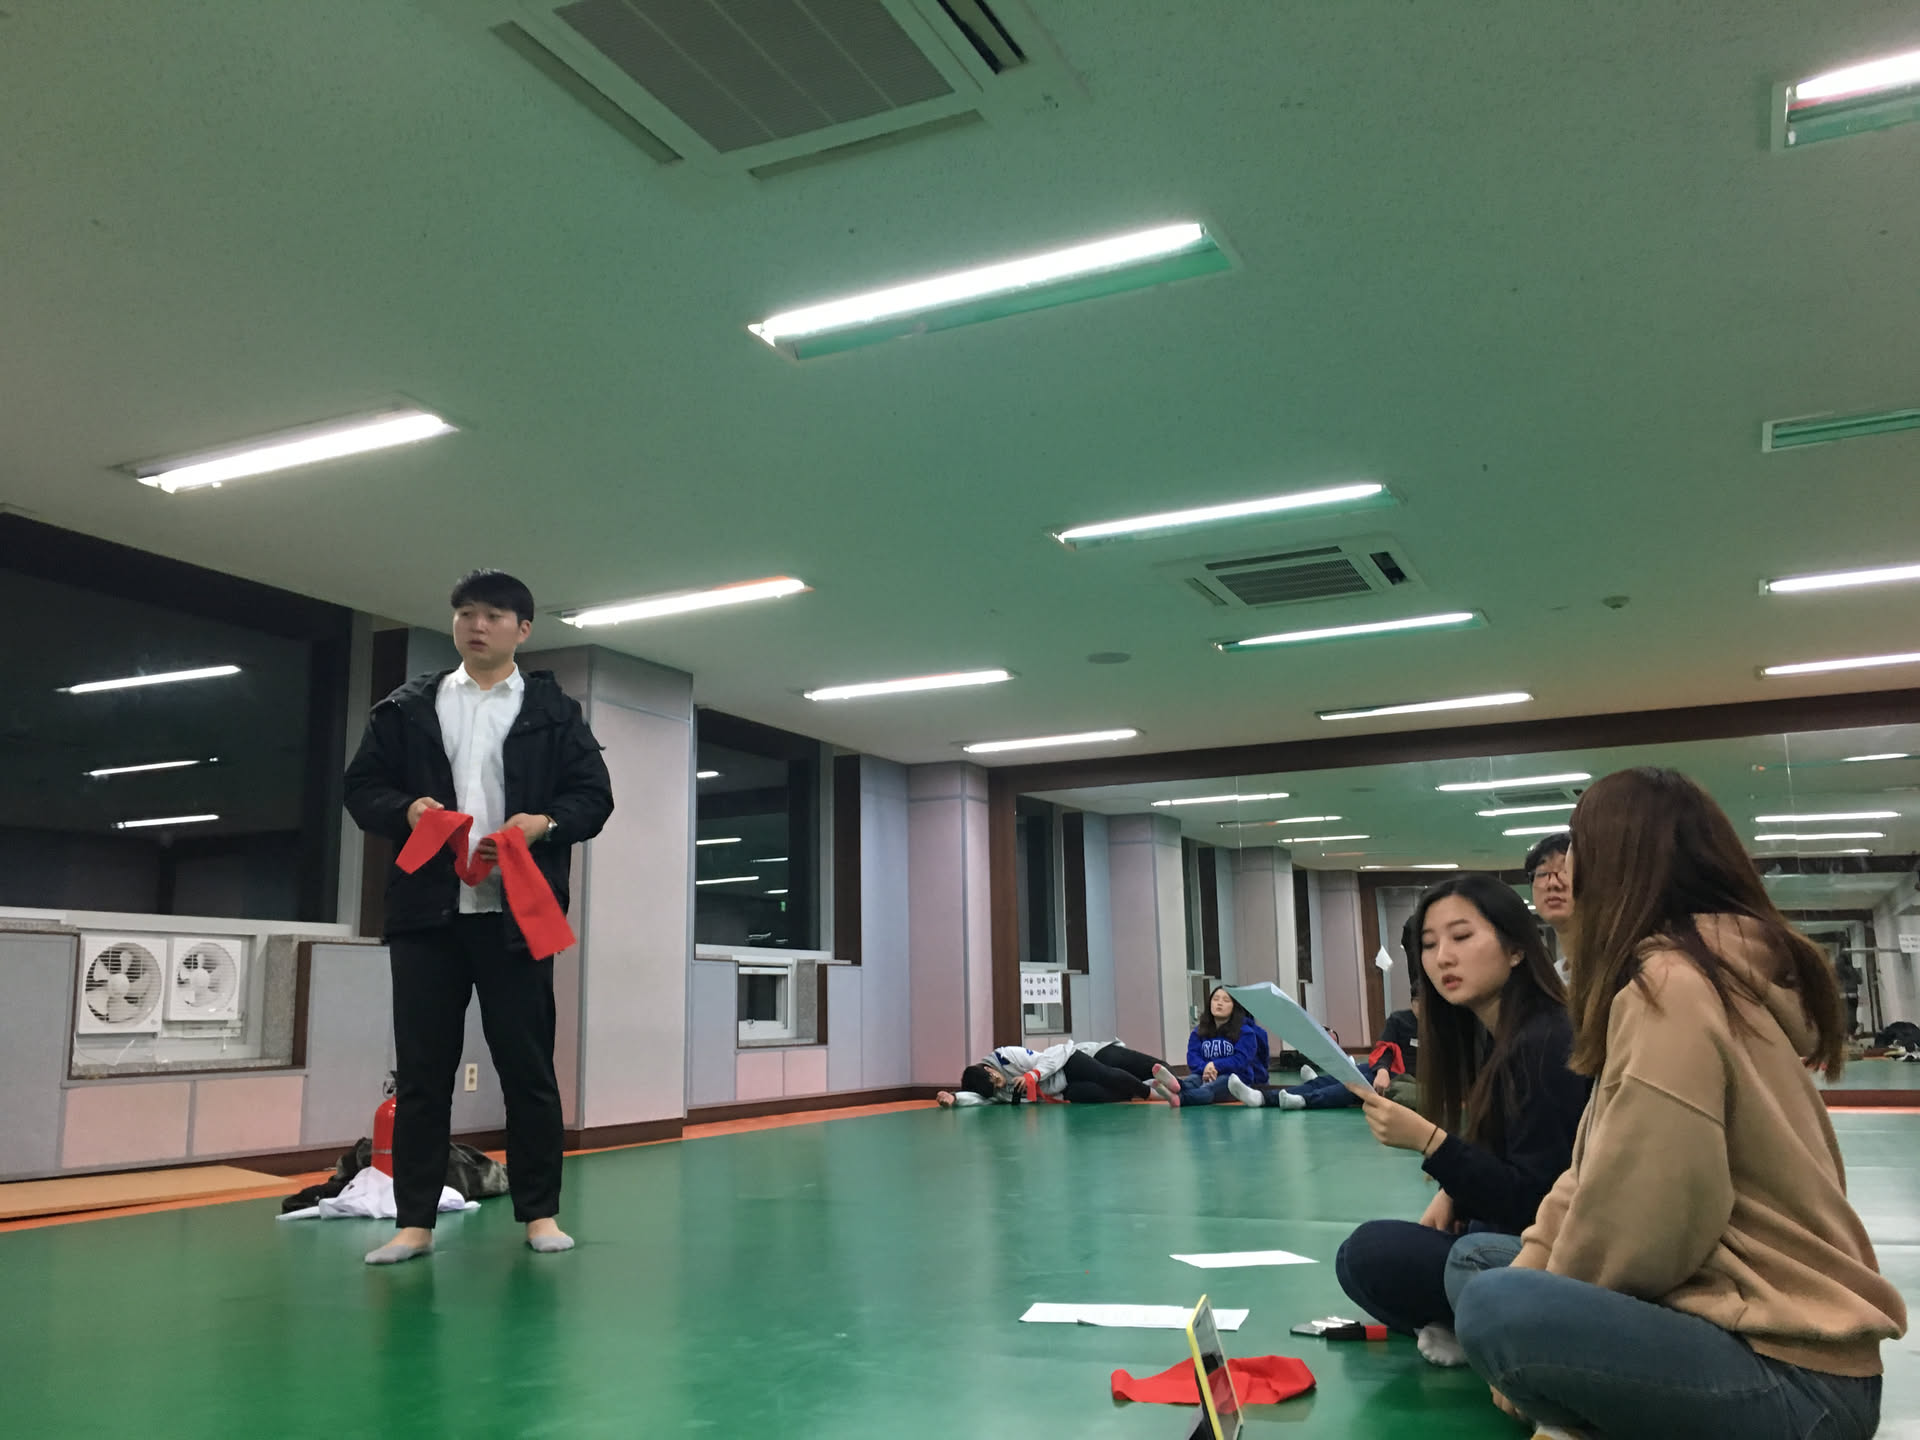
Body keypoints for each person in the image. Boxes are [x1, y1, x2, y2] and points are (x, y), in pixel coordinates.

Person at [1453, 768, 1906, 1438]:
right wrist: (1540, 1273)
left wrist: (1534, 1348)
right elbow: (1589, 1171)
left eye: (1577, 850)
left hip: (1791, 1378)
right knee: (1478, 1262)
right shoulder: (1691, 976)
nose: (1565, 872)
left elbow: (1648, 1219)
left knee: (1496, 1307)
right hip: (1751, 1331)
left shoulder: (1669, 988)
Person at [344, 570, 614, 1266]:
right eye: (466, 613)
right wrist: (407, 810)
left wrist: (543, 823)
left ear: (523, 629)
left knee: (528, 1070)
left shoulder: (554, 712)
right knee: (422, 1074)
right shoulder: (408, 707)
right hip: (427, 917)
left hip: (516, 916)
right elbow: (362, 787)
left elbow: (593, 797)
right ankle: (413, 1224)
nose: (477, 625)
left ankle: (541, 1215)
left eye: (493, 615)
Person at [1332, 874, 1590, 1363]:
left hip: (1558, 1253)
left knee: (1372, 1251)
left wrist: (1433, 1144)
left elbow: (1536, 1200)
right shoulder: (1495, 1036)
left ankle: (1483, 1327)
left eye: (1462, 936)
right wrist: (1454, 1193)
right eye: (1429, 945)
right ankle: (1472, 1321)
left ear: (1517, 949)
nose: (1442, 958)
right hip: (1506, 1237)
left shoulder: (1547, 1041)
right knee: (1355, 1258)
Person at [936, 1039, 1174, 1105]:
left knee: (1107, 1075)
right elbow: (977, 1098)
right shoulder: (991, 1090)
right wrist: (954, 1098)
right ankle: (1148, 1085)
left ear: (989, 1069)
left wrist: (1032, 1075)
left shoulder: (1006, 1056)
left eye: (997, 1081)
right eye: (996, 1088)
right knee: (1098, 1094)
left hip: (1068, 1062)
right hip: (1063, 1089)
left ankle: (1153, 1092)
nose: (1000, 1086)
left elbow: (1049, 1057)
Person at [1157, 985, 1269, 1106]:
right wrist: (1206, 1068)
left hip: (1235, 1078)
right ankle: (1175, 1085)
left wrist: (1215, 1066)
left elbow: (1240, 1060)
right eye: (1215, 999)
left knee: (1210, 1088)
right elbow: (1192, 1057)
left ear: (1235, 1006)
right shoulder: (1199, 1031)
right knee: (1192, 1081)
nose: (1219, 1003)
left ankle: (1181, 1098)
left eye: (1226, 1000)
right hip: (1204, 1074)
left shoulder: (1246, 1032)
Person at [1525, 832, 1573, 957]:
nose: (1552, 883)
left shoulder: (1619, 961)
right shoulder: (1557, 969)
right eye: (1542, 873)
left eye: (1565, 871)